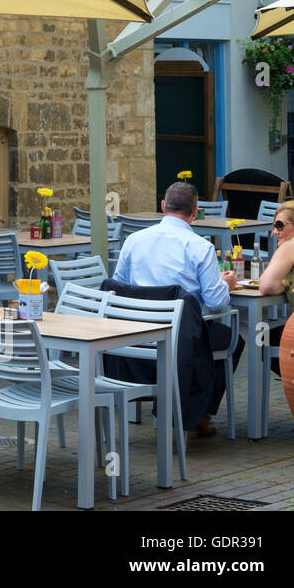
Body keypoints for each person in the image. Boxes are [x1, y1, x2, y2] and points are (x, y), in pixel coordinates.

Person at [112, 180, 242, 436]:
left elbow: (118, 286)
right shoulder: (200, 246)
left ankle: (182, 408)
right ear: (195, 211)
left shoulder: (134, 240)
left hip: (137, 336)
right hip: (182, 338)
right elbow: (216, 302)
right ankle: (199, 414)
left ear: (163, 206)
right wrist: (225, 283)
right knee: (234, 341)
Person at [254, 199, 294, 374]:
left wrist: (284, 284)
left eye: (279, 226)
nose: (274, 232)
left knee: (262, 338)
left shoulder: (292, 245)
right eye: (274, 226)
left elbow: (266, 286)